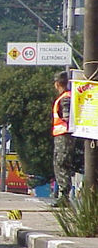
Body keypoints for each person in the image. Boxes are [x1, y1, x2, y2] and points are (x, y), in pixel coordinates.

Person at [52, 71, 74, 202]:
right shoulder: (66, 97)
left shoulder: (65, 98)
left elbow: (66, 117)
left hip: (64, 136)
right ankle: (63, 194)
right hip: (62, 135)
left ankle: (64, 195)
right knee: (60, 163)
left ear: (57, 84)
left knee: (61, 163)